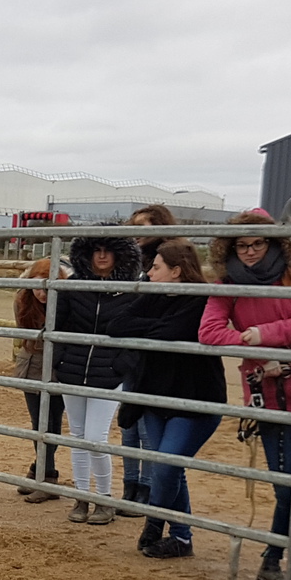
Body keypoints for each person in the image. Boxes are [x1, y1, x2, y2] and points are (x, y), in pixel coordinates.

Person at [200, 209, 291, 580]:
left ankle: (285, 555)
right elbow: (209, 331)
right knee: (286, 481)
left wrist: (263, 334)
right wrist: (247, 340)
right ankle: (287, 555)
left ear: (274, 242)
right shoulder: (228, 282)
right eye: (241, 245)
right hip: (268, 391)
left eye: (257, 243)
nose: (249, 251)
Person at [111, 238, 226, 558]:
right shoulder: (152, 296)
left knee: (165, 466)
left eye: (156, 267)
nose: (148, 273)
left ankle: (154, 524)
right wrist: (156, 327)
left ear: (176, 271)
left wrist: (148, 328)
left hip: (195, 399)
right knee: (170, 468)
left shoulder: (201, 300)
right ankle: (182, 537)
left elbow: (173, 332)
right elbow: (117, 324)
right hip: (155, 397)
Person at [52, 231, 142, 526]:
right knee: (77, 437)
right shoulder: (74, 285)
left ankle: (104, 499)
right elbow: (59, 323)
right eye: (96, 250)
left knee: (95, 438)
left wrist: (121, 366)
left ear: (120, 254)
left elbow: (137, 333)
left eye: (108, 250)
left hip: (108, 374)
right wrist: (60, 360)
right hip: (73, 370)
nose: (101, 256)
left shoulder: (132, 290)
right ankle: (82, 497)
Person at [117, 205, 177, 516]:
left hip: (153, 357)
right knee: (128, 423)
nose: (137, 230)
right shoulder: (130, 262)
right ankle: (130, 485)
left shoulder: (169, 261)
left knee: (147, 426)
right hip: (130, 355)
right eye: (134, 224)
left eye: (144, 225)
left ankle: (148, 486)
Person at [13, 255, 68, 503]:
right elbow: (24, 333)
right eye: (37, 285)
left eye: (47, 285)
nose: (41, 292)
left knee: (50, 423)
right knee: (39, 423)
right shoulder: (23, 300)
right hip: (33, 365)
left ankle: (47, 475)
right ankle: (42, 471)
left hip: (58, 368)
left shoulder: (67, 302)